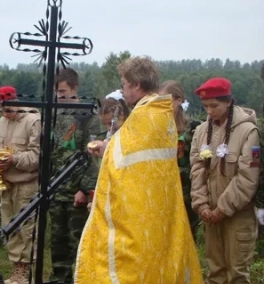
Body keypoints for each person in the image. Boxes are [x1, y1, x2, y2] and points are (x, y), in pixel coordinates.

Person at [74, 56, 202, 283]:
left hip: (138, 212)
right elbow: (133, 154)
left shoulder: (144, 115)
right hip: (158, 206)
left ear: (136, 84)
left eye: (124, 83)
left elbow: (122, 159)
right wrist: (108, 147)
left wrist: (107, 149)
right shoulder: (160, 112)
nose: (122, 90)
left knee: (131, 266)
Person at [190, 77, 260, 283]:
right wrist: (202, 205)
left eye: (214, 106)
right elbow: (197, 170)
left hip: (238, 216)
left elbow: (248, 177)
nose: (209, 112)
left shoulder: (248, 131)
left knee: (237, 273)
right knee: (215, 273)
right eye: (205, 107)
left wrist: (222, 209)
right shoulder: (202, 131)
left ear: (228, 102)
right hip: (209, 215)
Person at [49, 68, 101, 284]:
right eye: (57, 92)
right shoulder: (54, 114)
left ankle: (80, 279)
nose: (59, 96)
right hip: (56, 190)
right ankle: (59, 278)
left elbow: (94, 158)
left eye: (63, 91)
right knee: (57, 240)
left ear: (74, 88)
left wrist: (84, 188)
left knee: (77, 240)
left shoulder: (88, 116)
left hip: (76, 192)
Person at [0, 85, 41, 284]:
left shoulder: (33, 120)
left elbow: (37, 157)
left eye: (5, 108)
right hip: (7, 184)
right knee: (9, 226)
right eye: (0, 110)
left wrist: (13, 158)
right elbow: (0, 148)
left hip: (26, 184)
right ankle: (16, 269)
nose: (3, 113)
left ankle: (27, 273)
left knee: (27, 230)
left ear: (14, 101)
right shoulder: (2, 122)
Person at [159, 80, 201, 241]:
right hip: (163, 195)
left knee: (187, 240)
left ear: (179, 100)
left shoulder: (193, 128)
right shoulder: (158, 129)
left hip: (186, 195)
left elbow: (198, 163)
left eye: (167, 101)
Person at [86, 95, 130, 212]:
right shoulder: (106, 137)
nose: (108, 128)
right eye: (104, 124)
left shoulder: (130, 136)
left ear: (121, 115)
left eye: (110, 123)